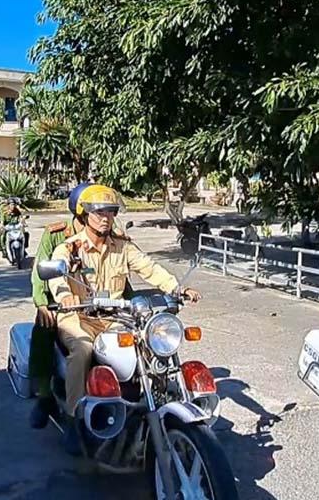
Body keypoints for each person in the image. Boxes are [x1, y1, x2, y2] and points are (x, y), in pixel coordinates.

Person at [46, 184, 201, 454]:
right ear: (84, 214)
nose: (106, 217)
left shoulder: (122, 247)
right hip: (77, 316)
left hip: (115, 317)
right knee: (82, 350)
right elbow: (58, 277)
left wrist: (176, 288)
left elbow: (149, 267)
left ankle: (148, 399)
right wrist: (64, 297)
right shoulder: (69, 249)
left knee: (145, 344)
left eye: (110, 211)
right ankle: (73, 418)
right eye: (99, 212)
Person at [27, 181, 95, 429]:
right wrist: (43, 303)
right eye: (94, 212)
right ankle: (44, 396)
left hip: (97, 301)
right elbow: (39, 269)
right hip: (63, 301)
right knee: (44, 325)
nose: (102, 217)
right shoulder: (56, 233)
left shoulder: (107, 231)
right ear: (80, 213)